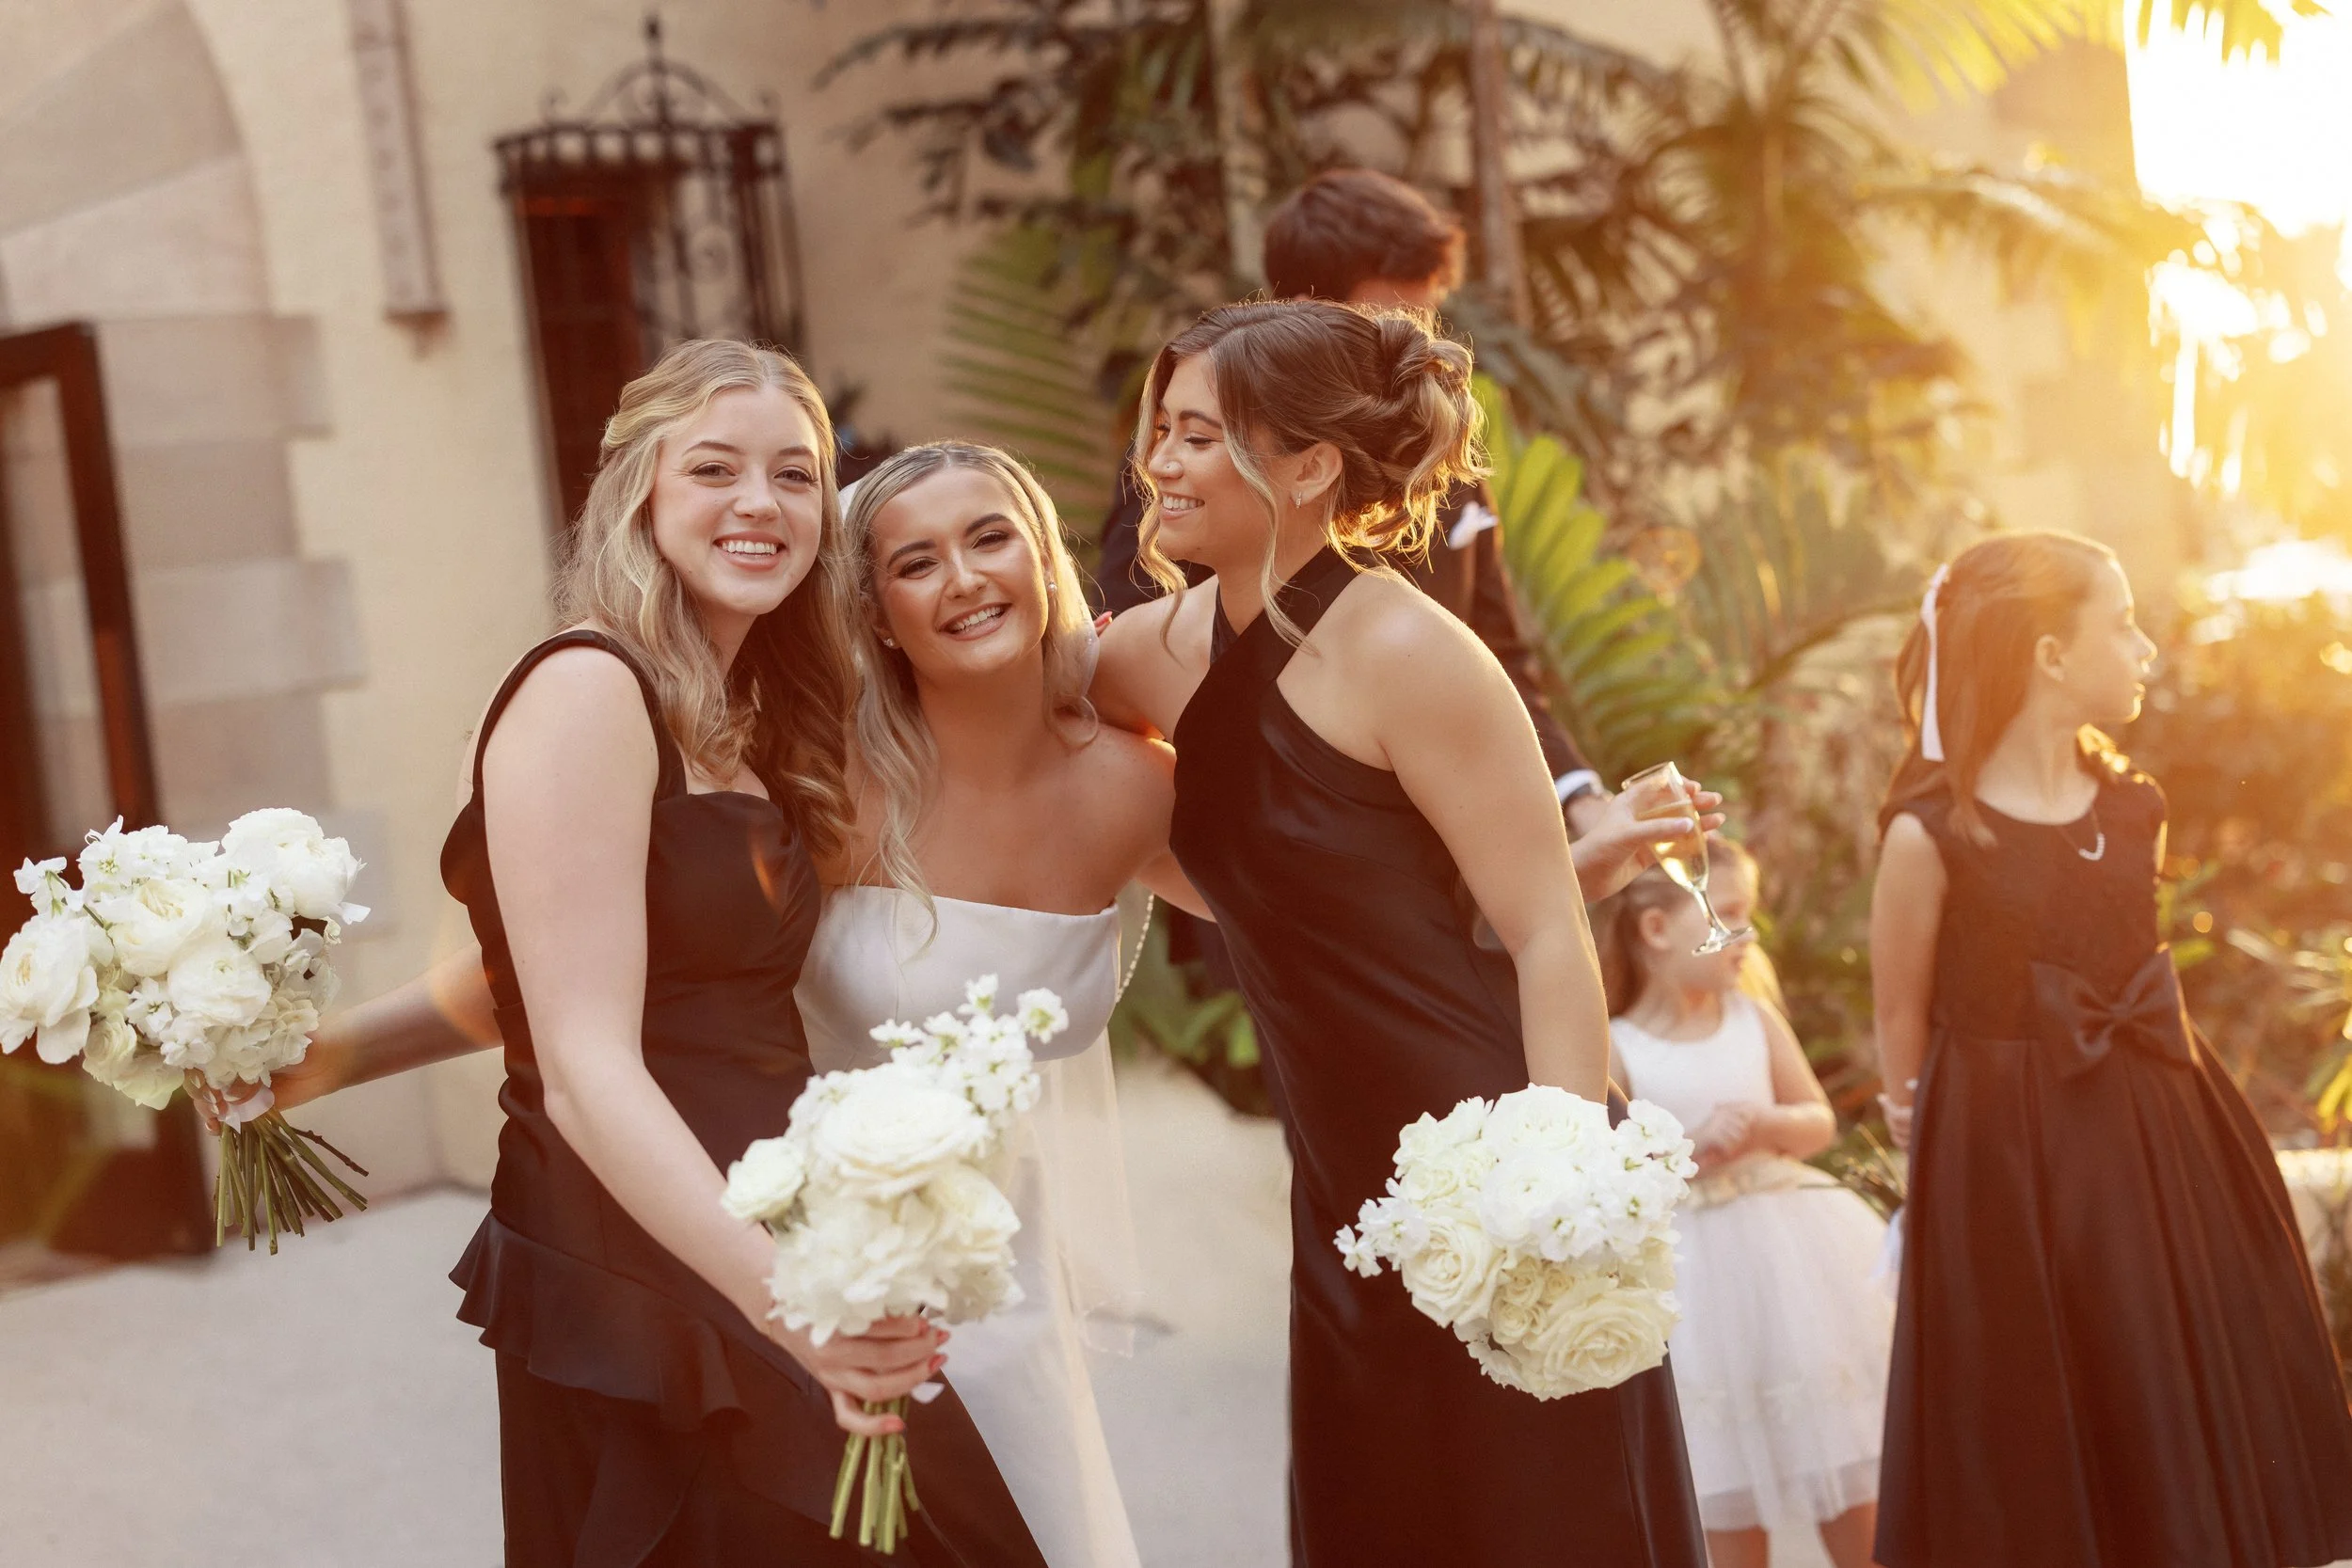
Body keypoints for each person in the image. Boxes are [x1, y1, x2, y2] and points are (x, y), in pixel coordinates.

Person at [1089, 296, 1708, 1566]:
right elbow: (1116, 813)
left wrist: (1555, 1192)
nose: (1158, 462)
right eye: (1160, 429)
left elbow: (1545, 933)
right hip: (1341, 1184)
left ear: (1310, 466)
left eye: (1197, 433)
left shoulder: (1415, 652)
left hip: (1487, 1152)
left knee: (1540, 1514)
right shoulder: (1139, 659)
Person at [430, 340, 1043, 1566]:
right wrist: (791, 1307)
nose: (761, 503)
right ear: (639, 490)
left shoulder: (748, 714)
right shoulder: (588, 688)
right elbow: (582, 1058)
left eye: (797, 474)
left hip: (775, 1220)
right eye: (715, 467)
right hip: (655, 1262)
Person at [1869, 531, 2352, 1568]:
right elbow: (1898, 1022)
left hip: (2160, 1130)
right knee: (2055, 1403)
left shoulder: (2136, 806)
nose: (2144, 649)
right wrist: (1936, 1173)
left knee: (2169, 1372)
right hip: (2010, 1160)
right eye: (2122, 623)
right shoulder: (1929, 835)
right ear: (2049, 653)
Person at [802, 438, 1212, 1568]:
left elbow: (1322, 922)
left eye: (989, 539)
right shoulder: (824, 786)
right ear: (878, 612)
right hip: (813, 1271)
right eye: (916, 562)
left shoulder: (1134, 782)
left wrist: (1560, 876)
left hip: (1008, 1281)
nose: (966, 578)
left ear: (1040, 560)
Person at [1096, 166, 1608, 822]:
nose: (1411, 343)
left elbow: (1496, 653)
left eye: (1427, 312)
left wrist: (1582, 799)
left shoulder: (1448, 466)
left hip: (1446, 852)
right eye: (1394, 315)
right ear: (1308, 314)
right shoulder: (1194, 460)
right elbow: (1131, 641)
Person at [1597, 839, 1890, 1568]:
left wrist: (1767, 1125)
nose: (1748, 934)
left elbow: (1817, 1117)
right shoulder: (1619, 1044)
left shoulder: (1753, 1018)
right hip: (1695, 1282)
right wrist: (1689, 1145)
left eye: (1748, 915)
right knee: (1722, 1474)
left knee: (1844, 1460)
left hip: (1792, 1261)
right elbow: (1612, 1169)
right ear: (1657, 930)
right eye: (1727, 914)